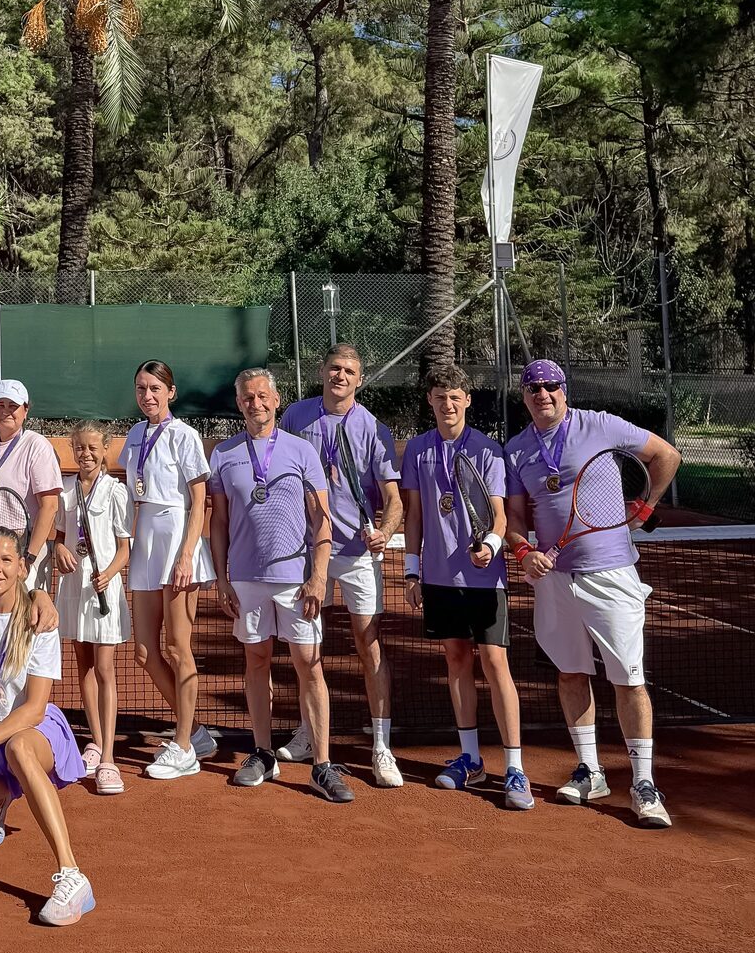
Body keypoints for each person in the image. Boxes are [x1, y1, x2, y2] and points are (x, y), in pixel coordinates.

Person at [503, 360, 682, 826]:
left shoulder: (601, 425)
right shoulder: (517, 449)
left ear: (564, 391)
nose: (542, 394)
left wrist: (645, 508)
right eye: (533, 388)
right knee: (570, 673)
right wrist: (523, 551)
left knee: (629, 679)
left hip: (611, 574)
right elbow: (515, 518)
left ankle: (643, 783)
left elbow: (666, 455)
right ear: (524, 396)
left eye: (551, 386)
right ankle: (590, 771)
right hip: (554, 580)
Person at [0, 526, 95, 926]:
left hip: (30, 731)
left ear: (23, 567)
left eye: (7, 560)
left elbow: (35, 709)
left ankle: (72, 874)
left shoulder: (40, 618)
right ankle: (2, 799)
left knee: (18, 748)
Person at [209, 368, 352, 803]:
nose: (256, 403)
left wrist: (319, 576)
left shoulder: (301, 451)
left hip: (296, 581)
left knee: (309, 665)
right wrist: (222, 578)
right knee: (256, 662)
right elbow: (219, 522)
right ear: (239, 404)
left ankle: (322, 765)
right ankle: (263, 753)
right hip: (246, 579)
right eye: (247, 397)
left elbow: (321, 521)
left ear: (275, 400)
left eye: (262, 396)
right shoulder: (223, 454)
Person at [399, 365, 528, 809]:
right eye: (440, 397)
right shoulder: (417, 450)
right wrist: (412, 571)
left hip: (484, 579)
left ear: (467, 400)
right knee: (456, 660)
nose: (447, 404)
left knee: (494, 662)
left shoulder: (488, 451)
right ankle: (470, 759)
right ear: (430, 401)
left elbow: (499, 515)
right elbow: (414, 515)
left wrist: (490, 546)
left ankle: (515, 768)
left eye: (455, 396)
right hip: (438, 578)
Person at [277, 344, 404, 786]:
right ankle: (308, 733)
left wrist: (384, 531)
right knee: (307, 647)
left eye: (349, 371)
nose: (341, 376)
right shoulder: (295, 416)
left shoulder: (373, 428)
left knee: (369, 645)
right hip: (308, 552)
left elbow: (393, 499)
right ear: (322, 371)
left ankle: (382, 747)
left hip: (355, 554)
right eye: (335, 368)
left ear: (359, 379)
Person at [120, 360, 217, 779]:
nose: (148, 396)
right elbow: (130, 493)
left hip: (177, 538)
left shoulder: (185, 435)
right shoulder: (134, 435)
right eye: (141, 388)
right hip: (144, 542)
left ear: (170, 392)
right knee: (144, 652)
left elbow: (199, 501)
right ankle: (194, 732)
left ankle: (183, 747)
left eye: (155, 388)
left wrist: (186, 554)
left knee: (178, 648)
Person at [51, 420, 132, 794]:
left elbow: (124, 548)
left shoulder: (116, 491)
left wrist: (109, 574)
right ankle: (96, 743)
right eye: (80, 447)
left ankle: (110, 758)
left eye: (92, 447)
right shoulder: (65, 490)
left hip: (103, 589)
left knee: (104, 668)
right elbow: (60, 537)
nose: (85, 453)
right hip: (74, 587)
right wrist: (59, 549)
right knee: (82, 666)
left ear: (105, 450)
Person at [0, 380, 60, 589]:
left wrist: (29, 557)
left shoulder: (36, 445)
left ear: (25, 410)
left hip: (23, 548)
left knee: (24, 610)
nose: (6, 411)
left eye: (13, 405)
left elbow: (49, 507)